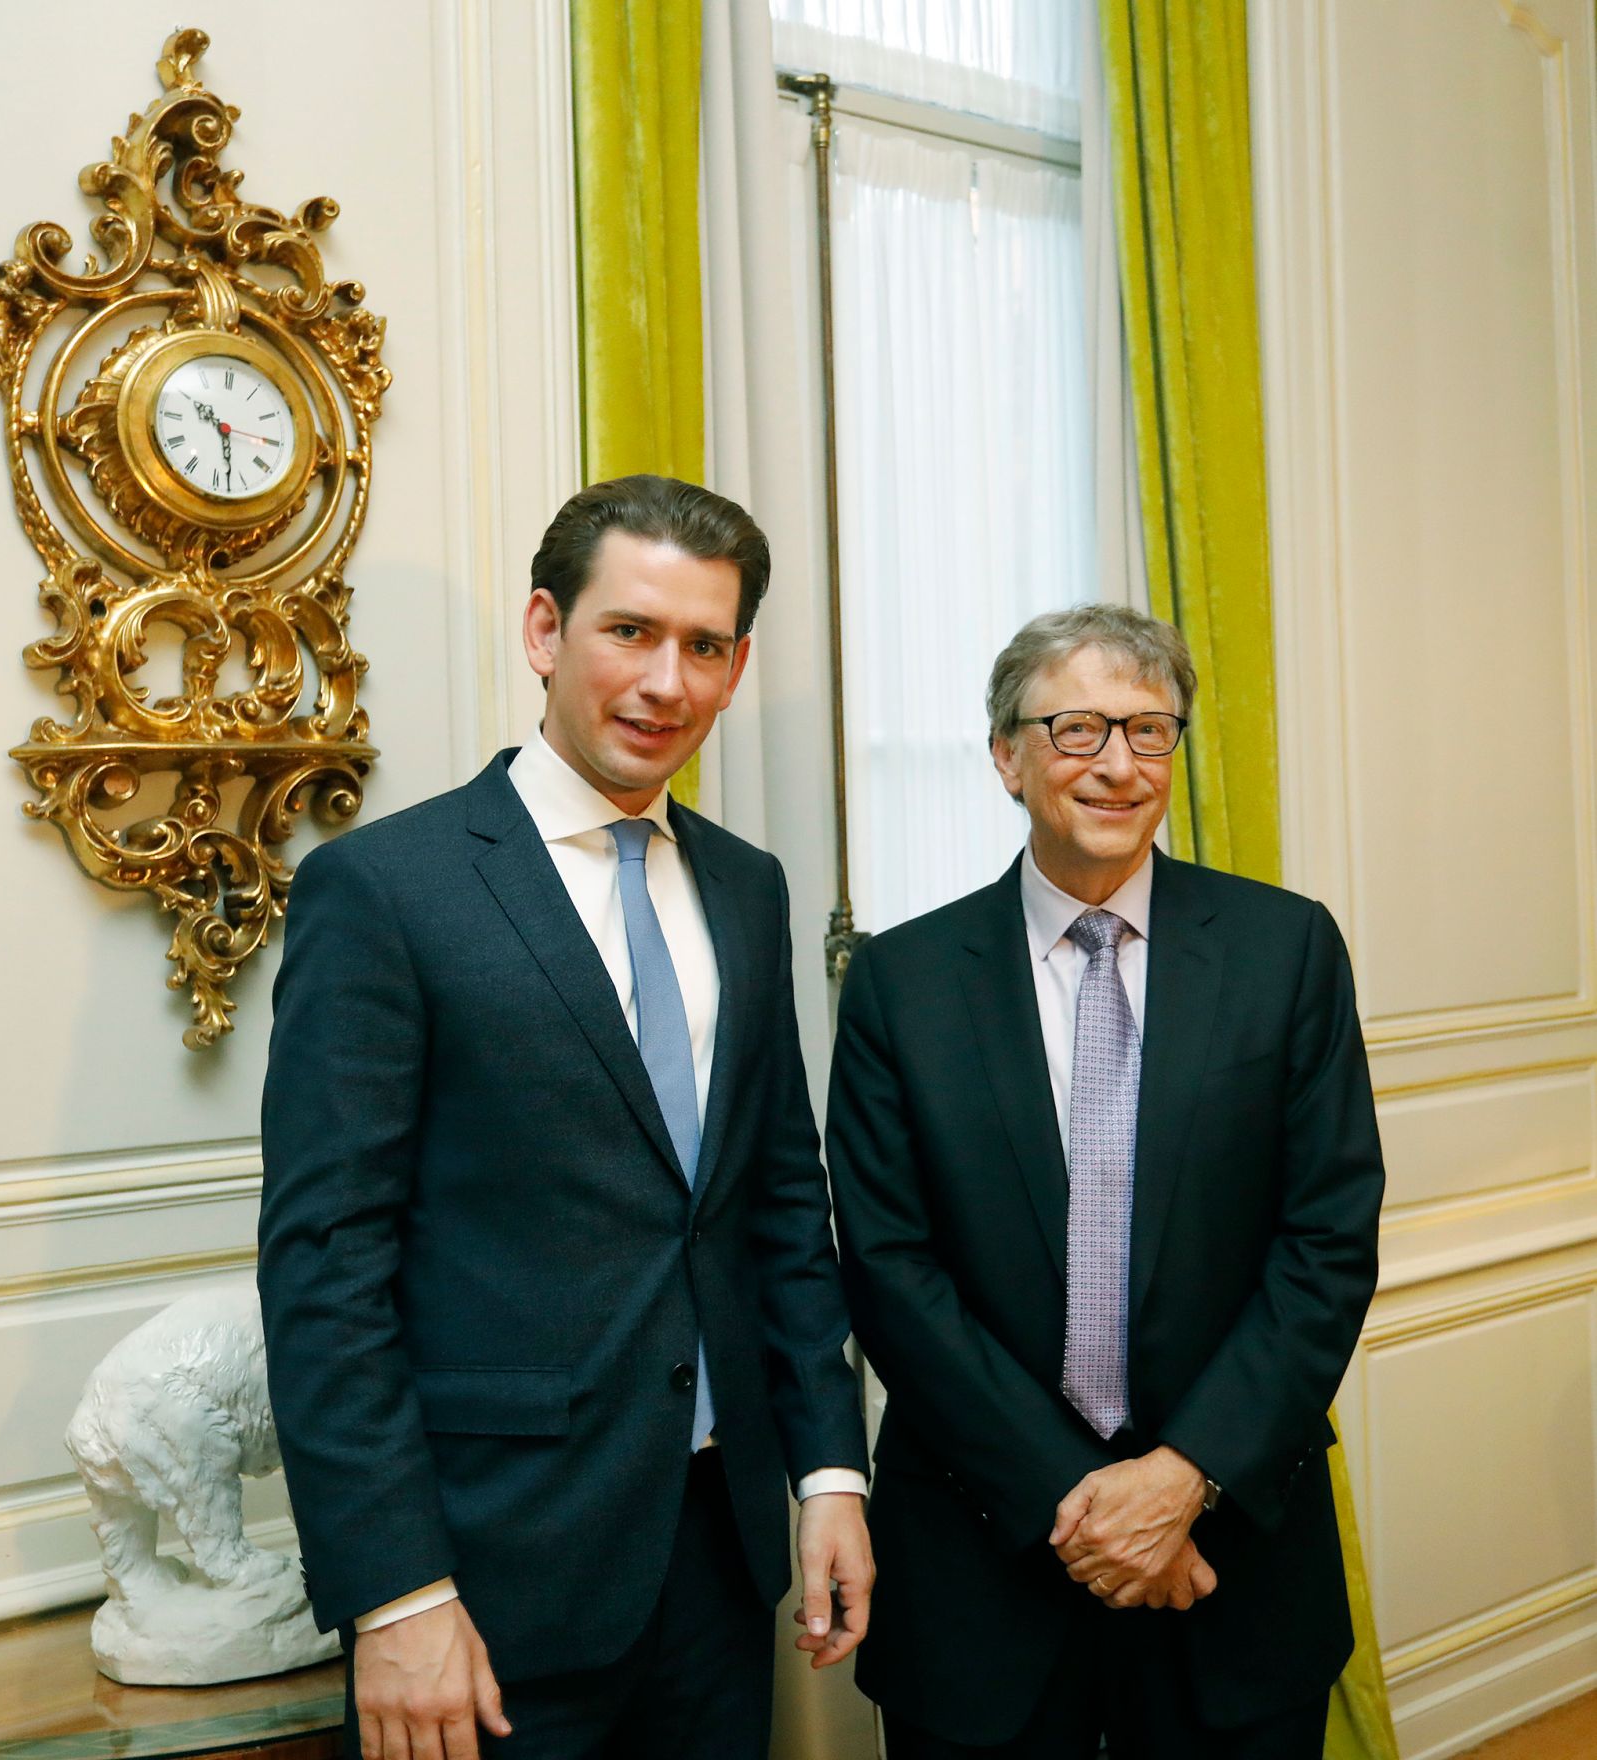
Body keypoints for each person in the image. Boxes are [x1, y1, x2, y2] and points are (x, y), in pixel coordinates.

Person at [258, 475, 872, 1760]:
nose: (666, 682)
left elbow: (776, 1203)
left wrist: (826, 1471)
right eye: (630, 632)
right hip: (487, 1583)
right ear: (546, 631)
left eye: (704, 646)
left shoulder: (748, 888)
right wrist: (398, 1591)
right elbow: (326, 1267)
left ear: (737, 665)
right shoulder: (383, 889)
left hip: (717, 1557)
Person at [825, 605, 1384, 1758]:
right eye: (1076, 728)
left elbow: (1325, 1238)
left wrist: (1180, 1480)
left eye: (1150, 730)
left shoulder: (1286, 950)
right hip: (984, 1554)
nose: (1119, 764)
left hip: (1230, 1550)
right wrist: (1085, 1509)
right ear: (1006, 755)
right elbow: (889, 1269)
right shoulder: (902, 980)